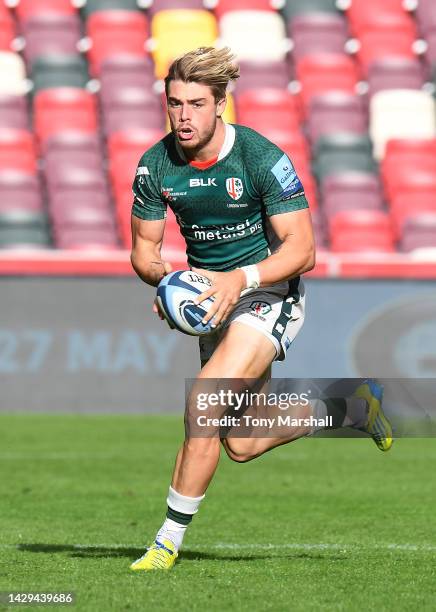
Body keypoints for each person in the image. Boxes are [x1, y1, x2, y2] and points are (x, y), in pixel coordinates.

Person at [129, 47, 393, 571]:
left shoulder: (259, 157)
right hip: (213, 299)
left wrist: (240, 279)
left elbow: (303, 250)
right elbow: (143, 251)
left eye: (197, 104)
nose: (183, 116)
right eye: (175, 103)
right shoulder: (154, 165)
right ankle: (353, 406)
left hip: (267, 292)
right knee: (243, 441)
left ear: (221, 104)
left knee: (204, 402)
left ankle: (165, 544)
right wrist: (167, 282)